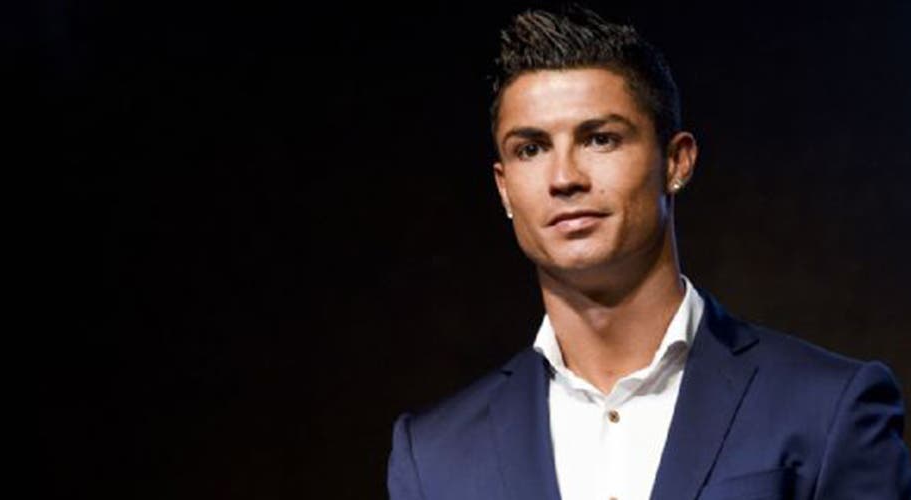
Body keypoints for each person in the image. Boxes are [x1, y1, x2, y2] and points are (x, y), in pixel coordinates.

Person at [386, 5, 911, 500]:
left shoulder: (828, 409)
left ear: (677, 161)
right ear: (504, 188)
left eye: (600, 139)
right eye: (532, 149)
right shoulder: (434, 458)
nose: (564, 177)